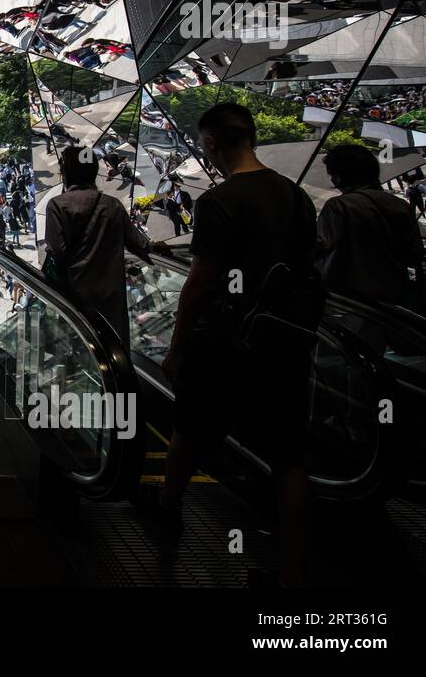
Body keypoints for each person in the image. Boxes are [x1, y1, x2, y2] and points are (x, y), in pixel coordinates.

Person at [150, 103, 318, 588]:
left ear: (210, 144)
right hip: (285, 342)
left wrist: (178, 346)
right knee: (290, 458)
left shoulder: (219, 201)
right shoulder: (296, 197)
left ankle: (170, 507)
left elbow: (200, 283)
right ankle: (294, 570)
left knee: (191, 428)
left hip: (223, 340)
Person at [44, 145, 161, 351]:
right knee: (114, 348)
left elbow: (57, 251)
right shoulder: (113, 204)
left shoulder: (57, 206)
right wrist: (157, 248)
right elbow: (138, 243)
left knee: (84, 350)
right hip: (111, 297)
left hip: (77, 297)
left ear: (68, 173)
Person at [315, 144, 426, 312]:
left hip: (350, 303)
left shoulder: (340, 206)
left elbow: (316, 248)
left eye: (332, 174)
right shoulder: (400, 205)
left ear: (339, 176)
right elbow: (414, 254)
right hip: (396, 299)